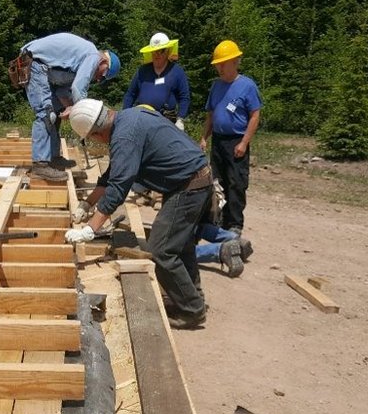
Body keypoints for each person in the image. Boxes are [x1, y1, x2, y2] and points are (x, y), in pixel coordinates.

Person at [65, 99, 211, 330]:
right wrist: (87, 203)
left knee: (160, 250)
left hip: (189, 185)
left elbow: (119, 186)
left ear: (96, 133)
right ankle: (192, 299)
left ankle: (191, 311)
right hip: (193, 179)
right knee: (180, 245)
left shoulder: (124, 136)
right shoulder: (128, 119)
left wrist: (90, 229)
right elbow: (113, 174)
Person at [19, 33, 120, 182]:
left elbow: (61, 92)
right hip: (36, 65)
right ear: (104, 61)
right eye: (103, 75)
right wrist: (83, 115)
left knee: (56, 113)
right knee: (46, 114)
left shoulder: (77, 62)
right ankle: (40, 165)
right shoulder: (93, 56)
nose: (99, 79)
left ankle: (53, 158)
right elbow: (78, 89)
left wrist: (70, 109)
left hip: (41, 67)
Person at [199, 39, 262, 235]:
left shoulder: (247, 86)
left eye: (223, 64)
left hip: (236, 141)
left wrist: (244, 142)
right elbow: (211, 114)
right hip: (218, 140)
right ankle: (217, 220)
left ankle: (235, 224)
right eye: (218, 64)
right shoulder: (216, 86)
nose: (220, 68)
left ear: (235, 62)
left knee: (236, 183)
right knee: (217, 182)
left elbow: (254, 115)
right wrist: (204, 137)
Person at [122, 33, 191, 130]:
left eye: (161, 51)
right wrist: (125, 115)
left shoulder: (177, 71)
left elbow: (184, 97)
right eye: (154, 51)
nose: (157, 54)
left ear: (167, 51)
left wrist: (180, 119)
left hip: (166, 123)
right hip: (141, 120)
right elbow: (130, 94)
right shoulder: (142, 71)